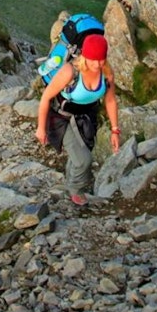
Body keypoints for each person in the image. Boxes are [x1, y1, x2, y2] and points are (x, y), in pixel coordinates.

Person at [35, 33, 121, 205]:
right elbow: (46, 98)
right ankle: (75, 191)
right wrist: (41, 128)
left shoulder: (107, 73)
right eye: (93, 60)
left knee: (81, 155)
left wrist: (115, 130)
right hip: (61, 118)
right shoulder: (70, 72)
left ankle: (69, 183)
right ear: (85, 57)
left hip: (87, 117)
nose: (97, 65)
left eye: (101, 60)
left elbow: (110, 100)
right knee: (84, 160)